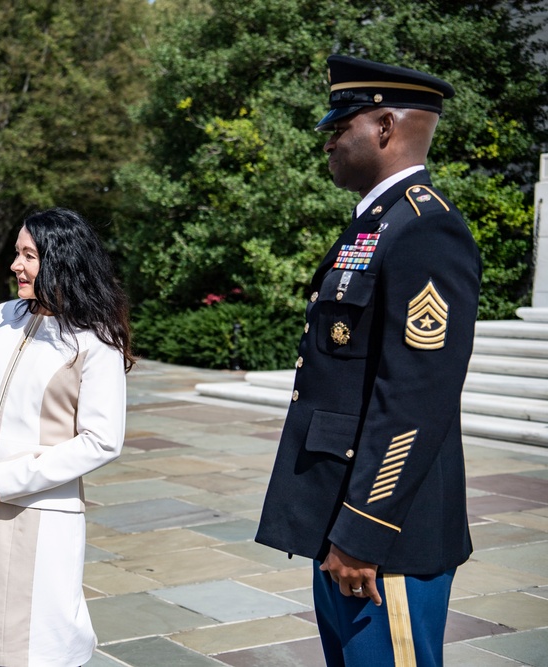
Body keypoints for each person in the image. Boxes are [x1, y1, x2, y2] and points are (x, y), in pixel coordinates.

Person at [255, 55, 482, 666]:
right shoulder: (377, 225)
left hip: (384, 538)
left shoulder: (424, 229)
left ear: (383, 128)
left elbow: (415, 398)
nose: (328, 142)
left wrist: (363, 531)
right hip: (344, 525)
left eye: (339, 127)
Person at [0, 207, 135, 667]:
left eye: (29, 255)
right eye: (16, 253)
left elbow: (103, 439)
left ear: (61, 261)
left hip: (41, 518)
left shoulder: (95, 339)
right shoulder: (0, 319)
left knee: (35, 651)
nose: (16, 265)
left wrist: (7, 478)